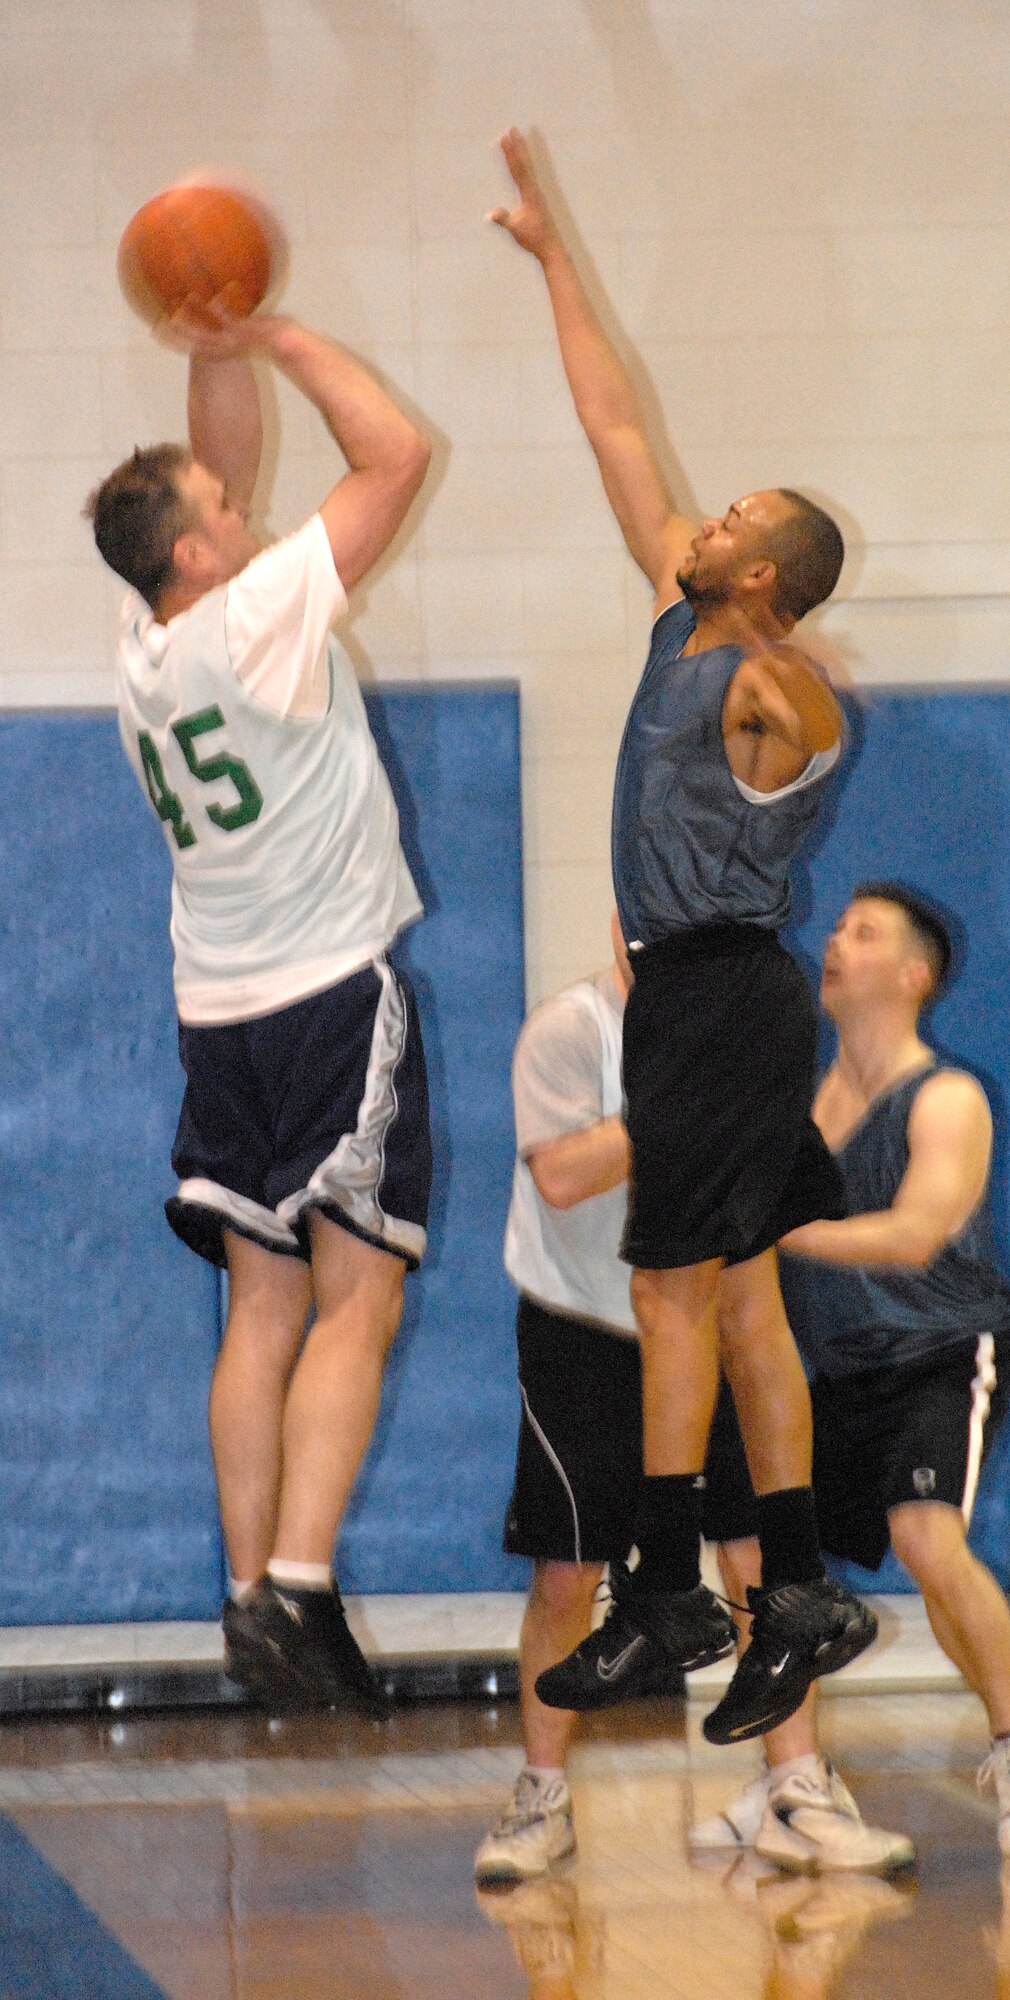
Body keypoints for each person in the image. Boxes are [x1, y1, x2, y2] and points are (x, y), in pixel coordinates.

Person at [489, 128, 874, 1743]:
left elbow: (816, 714)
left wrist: (801, 668)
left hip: (720, 992)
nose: (698, 519)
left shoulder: (778, 685)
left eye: (732, 518)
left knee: (670, 1296)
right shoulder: (685, 611)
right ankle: (793, 1586)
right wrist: (556, 251)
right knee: (741, 1305)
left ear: (767, 571)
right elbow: (614, 421)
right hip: (694, 999)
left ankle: (669, 1587)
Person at [86, 303, 432, 1709]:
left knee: (262, 1307)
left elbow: (202, 468)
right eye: (227, 508)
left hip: (214, 1011)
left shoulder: (148, 639)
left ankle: (244, 1594)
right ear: (200, 553)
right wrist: (282, 332)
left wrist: (207, 337)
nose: (243, 502)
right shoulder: (259, 618)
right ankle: (301, 1586)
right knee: (363, 1301)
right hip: (327, 997)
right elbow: (394, 454)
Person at [475, 920, 910, 1889]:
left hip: (707, 1319)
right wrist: (682, 1108)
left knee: (758, 1556)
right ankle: (541, 1792)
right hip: (582, 1326)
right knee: (566, 1574)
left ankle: (791, 1788)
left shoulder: (742, 1035)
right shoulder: (567, 1030)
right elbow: (558, 1174)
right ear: (626, 951)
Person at [700, 883, 1010, 1866]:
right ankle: (791, 1782)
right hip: (816, 1370)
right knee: (755, 1553)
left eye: (861, 931)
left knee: (924, 1536)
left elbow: (915, 1233)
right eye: (833, 925)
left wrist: (782, 1225)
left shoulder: (946, 1095)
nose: (834, 939)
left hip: (934, 1354)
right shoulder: (793, 1102)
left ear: (911, 974)